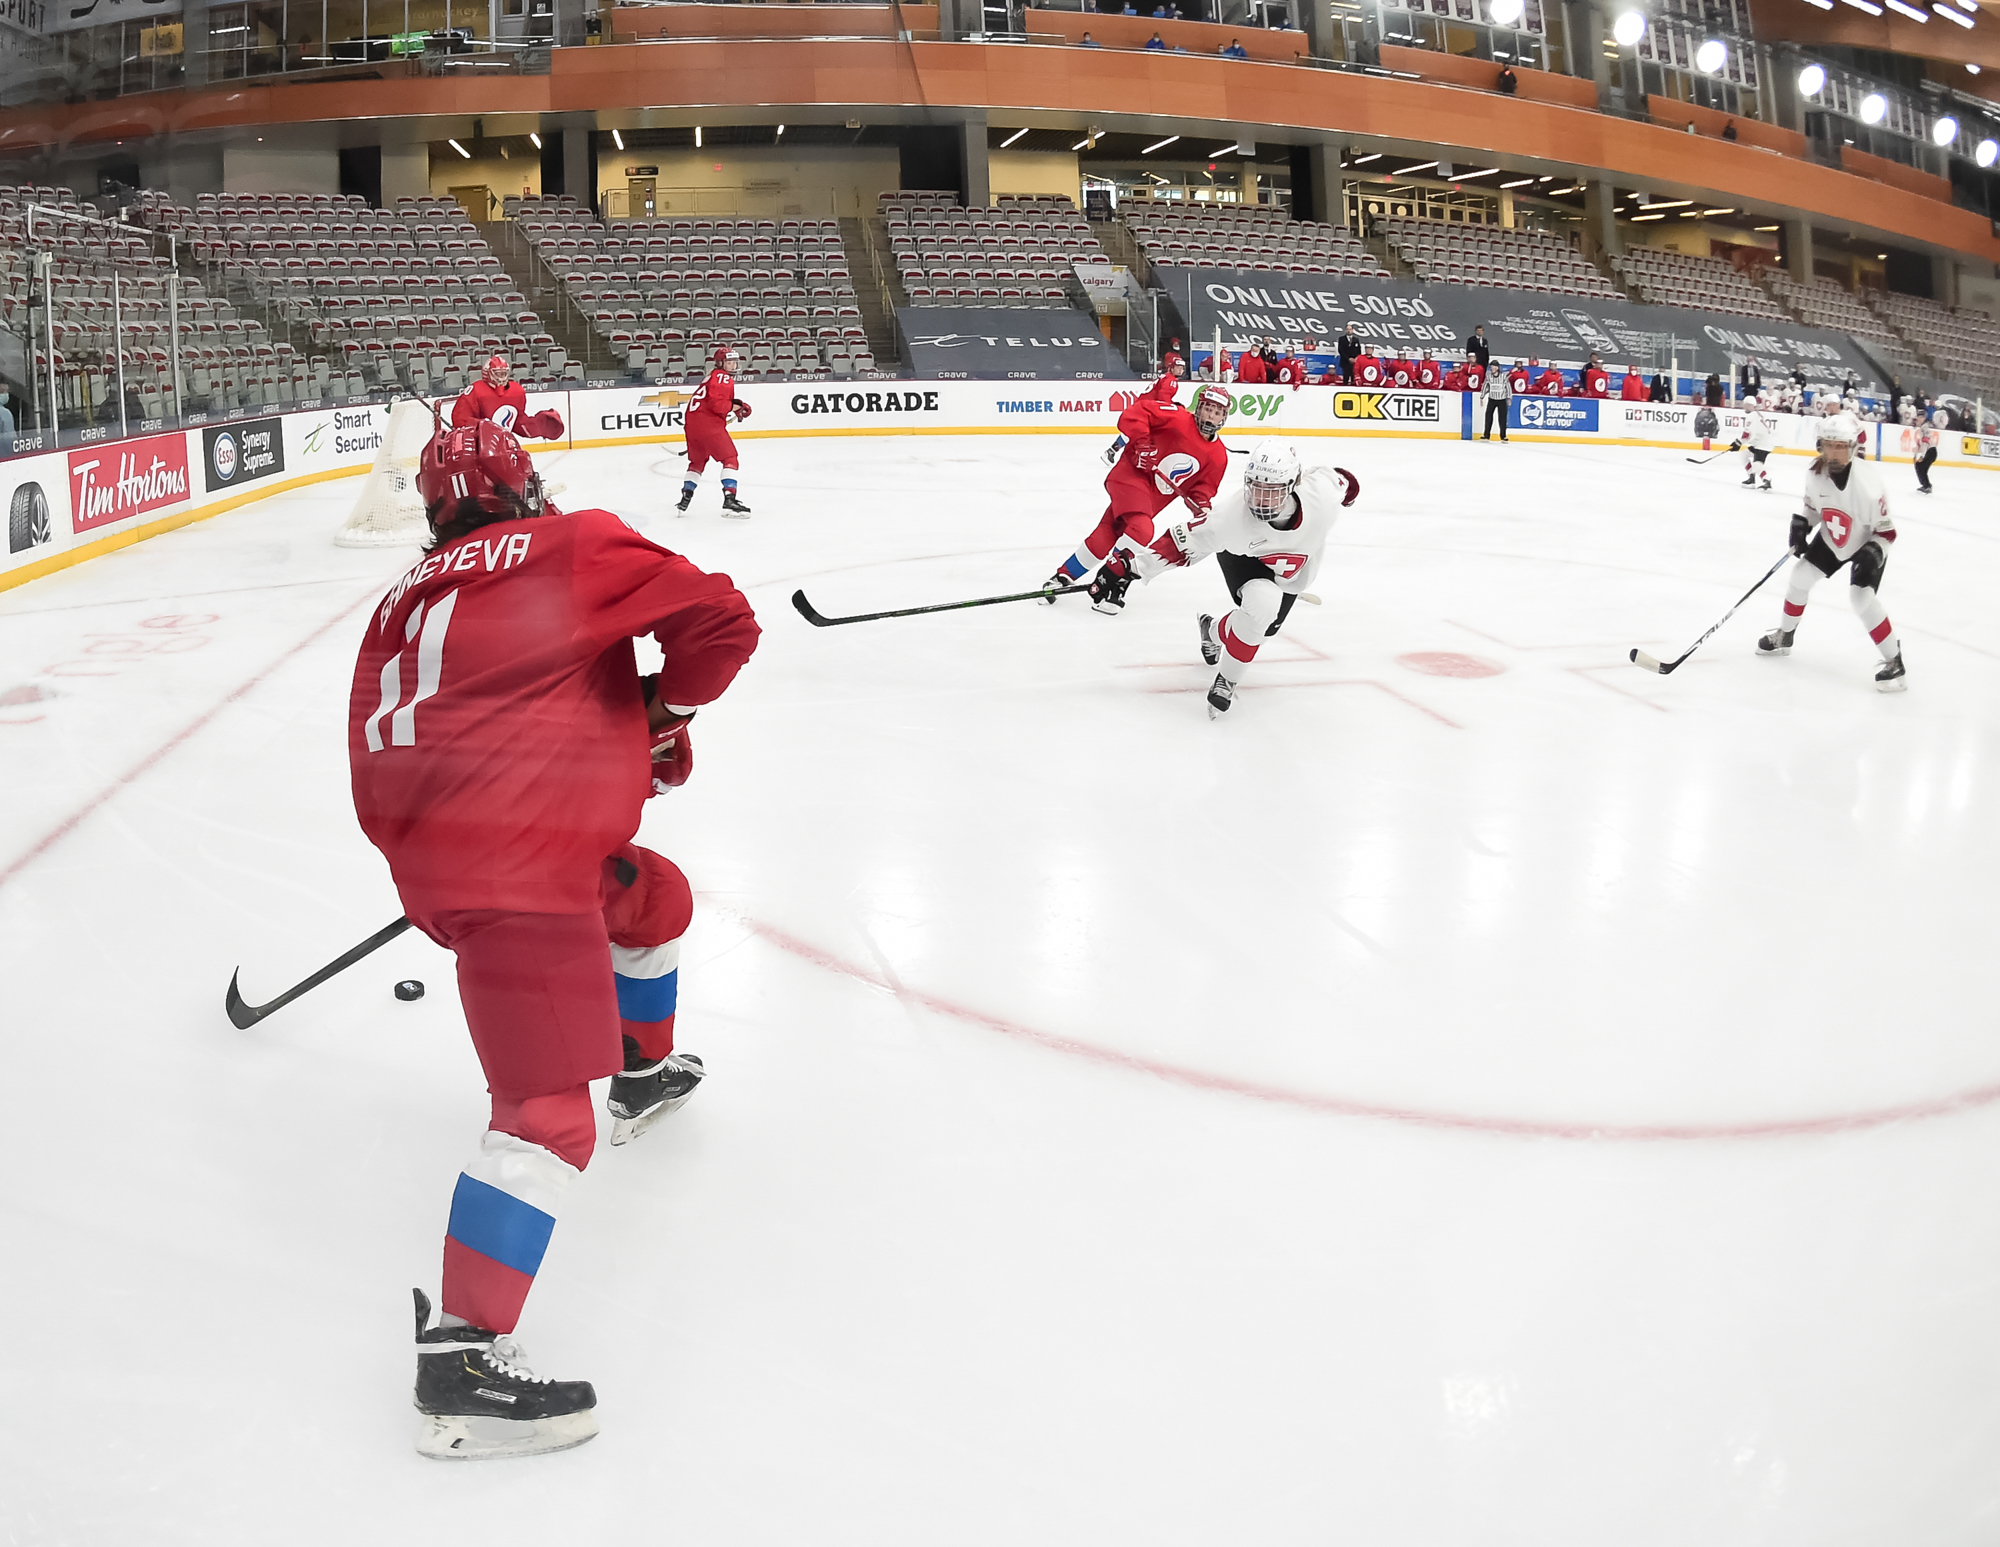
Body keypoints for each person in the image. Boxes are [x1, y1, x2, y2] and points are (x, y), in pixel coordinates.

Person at [349, 419, 760, 1460]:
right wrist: (655, 707)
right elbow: (724, 620)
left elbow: (418, 726)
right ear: (521, 486)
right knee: (540, 1121)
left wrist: (447, 854)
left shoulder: (397, 601)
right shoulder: (568, 541)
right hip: (517, 867)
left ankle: (641, 1070)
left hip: (451, 854)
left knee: (652, 901)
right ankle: (461, 1360)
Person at [1083, 442, 1358, 718]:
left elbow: (1342, 480)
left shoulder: (1321, 497)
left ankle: (1212, 630)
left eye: (1271, 492)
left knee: (1266, 628)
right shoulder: (1231, 518)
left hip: (1289, 576)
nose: (1259, 501)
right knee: (1262, 608)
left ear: (1292, 486)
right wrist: (1129, 568)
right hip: (1243, 560)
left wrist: (1349, 491)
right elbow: (1181, 542)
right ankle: (1227, 680)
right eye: (1255, 488)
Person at [1041, 383, 1233, 601]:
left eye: (1217, 413)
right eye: (1208, 409)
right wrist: (1141, 444)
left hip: (1151, 500)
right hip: (1130, 476)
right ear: (1198, 408)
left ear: (1223, 417)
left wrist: (1202, 507)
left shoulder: (1218, 456)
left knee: (1109, 530)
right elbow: (1136, 412)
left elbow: (1202, 489)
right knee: (1142, 529)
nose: (1210, 416)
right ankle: (1111, 578)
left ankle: (1063, 576)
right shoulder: (1177, 418)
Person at [1756, 412, 1903, 690]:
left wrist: (1873, 554)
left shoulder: (1869, 487)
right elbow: (1813, 507)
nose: (1833, 454)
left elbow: (1887, 532)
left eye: (1840, 447)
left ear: (1853, 448)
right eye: (1827, 445)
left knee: (1861, 598)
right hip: (1833, 538)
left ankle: (1895, 661)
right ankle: (1785, 636)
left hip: (1867, 541)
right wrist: (1803, 524)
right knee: (1800, 577)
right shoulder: (1815, 474)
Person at [677, 345, 752, 517]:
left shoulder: (711, 376)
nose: (733, 365)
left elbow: (713, 401)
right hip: (708, 425)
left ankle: (685, 498)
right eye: (729, 362)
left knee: (697, 463)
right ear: (720, 363)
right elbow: (717, 405)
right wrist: (736, 407)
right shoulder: (722, 377)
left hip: (692, 426)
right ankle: (730, 500)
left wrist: (735, 405)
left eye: (734, 361)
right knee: (730, 458)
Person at [452, 355, 564, 441]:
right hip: (478, 445)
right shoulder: (476, 389)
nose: (502, 377)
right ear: (488, 374)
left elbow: (517, 421)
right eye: (498, 374)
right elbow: (460, 419)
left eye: (504, 373)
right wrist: (483, 427)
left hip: (503, 444)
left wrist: (539, 425)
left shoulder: (516, 391)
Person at [1729, 409, 1777, 491]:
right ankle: (1751, 478)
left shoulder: (1752, 416)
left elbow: (1748, 434)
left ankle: (1767, 481)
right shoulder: (1757, 415)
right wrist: (1739, 443)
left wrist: (1739, 443)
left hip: (1762, 445)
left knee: (1757, 465)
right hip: (1760, 443)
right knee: (1744, 454)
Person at [1482, 359, 1512, 440]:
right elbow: (1485, 386)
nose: (1493, 368)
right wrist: (1482, 396)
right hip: (1492, 399)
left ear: (1498, 367)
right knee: (1488, 417)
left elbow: (1508, 387)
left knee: (1502, 419)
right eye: (1491, 366)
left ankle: (1503, 436)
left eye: (1494, 366)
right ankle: (1486, 435)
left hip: (1501, 400)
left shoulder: (1503, 377)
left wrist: (1509, 397)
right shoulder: (1488, 376)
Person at [1913, 416, 1939, 494]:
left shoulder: (1924, 428)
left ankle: (1926, 486)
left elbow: (1925, 442)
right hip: (1931, 451)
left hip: (1930, 451)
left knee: (1920, 466)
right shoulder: (1924, 427)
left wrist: (1922, 456)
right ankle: (1926, 485)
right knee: (1921, 467)